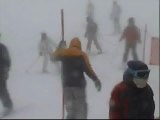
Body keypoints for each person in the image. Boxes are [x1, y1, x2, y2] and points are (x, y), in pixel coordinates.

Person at [52, 37, 101, 119]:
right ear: (79, 45)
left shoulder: (64, 53)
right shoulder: (82, 54)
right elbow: (88, 69)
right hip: (78, 86)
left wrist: (59, 47)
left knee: (70, 109)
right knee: (80, 109)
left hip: (66, 85)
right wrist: (96, 79)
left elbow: (53, 57)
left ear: (70, 44)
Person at [0, 34, 13, 116]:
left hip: (1, 72)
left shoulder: (2, 47)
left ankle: (8, 106)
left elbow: (7, 60)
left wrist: (6, 69)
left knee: (2, 89)